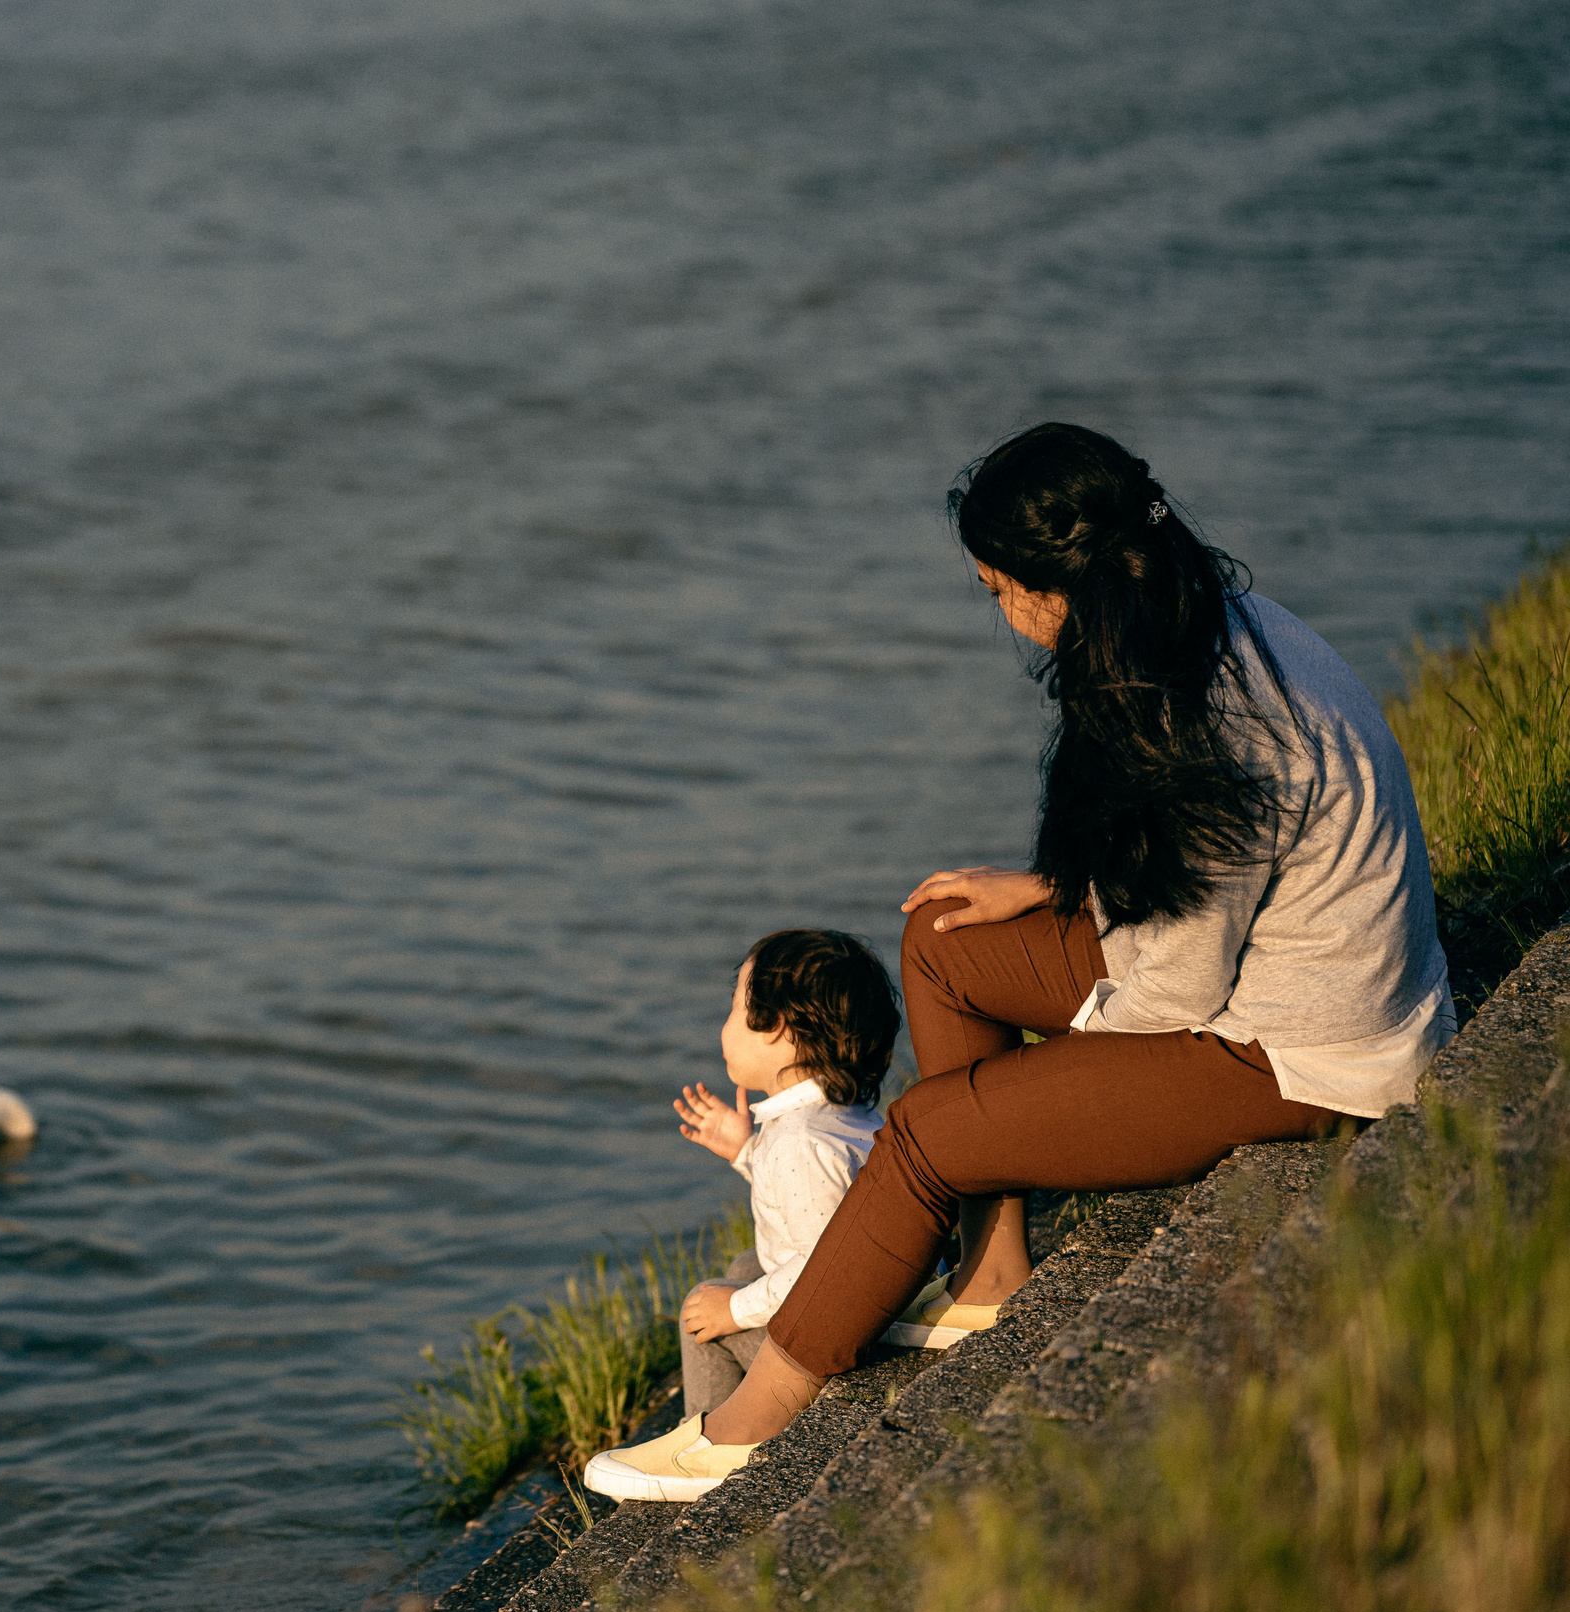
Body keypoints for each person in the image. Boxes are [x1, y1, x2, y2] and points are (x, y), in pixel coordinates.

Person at [604, 422, 1457, 1497]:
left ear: (1061, 587)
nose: (1003, 613)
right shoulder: (1205, 620)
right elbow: (1211, 885)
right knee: (944, 938)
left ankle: (745, 1426)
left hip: (1311, 1050)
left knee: (927, 1130)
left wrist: (1029, 1086)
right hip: (1276, 974)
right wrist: (1058, 890)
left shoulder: (1206, 716)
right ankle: (989, 1276)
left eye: (1000, 589)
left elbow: (1178, 988)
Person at [584, 929, 899, 1501]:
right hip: (878, 1313)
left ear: (776, 1027)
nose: (726, 1025)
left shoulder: (802, 1142)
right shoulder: (842, 1117)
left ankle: (710, 1448)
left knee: (702, 1308)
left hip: (843, 1353)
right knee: (745, 1264)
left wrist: (733, 1310)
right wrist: (747, 1151)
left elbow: (823, 1270)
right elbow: (820, 1210)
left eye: (735, 1008)